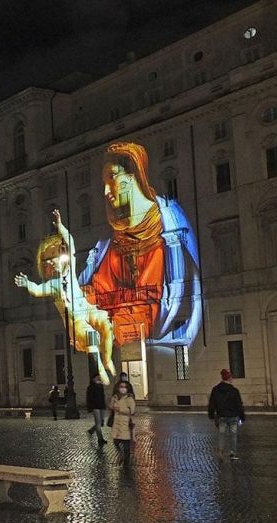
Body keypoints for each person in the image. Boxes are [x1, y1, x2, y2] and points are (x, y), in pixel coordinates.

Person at [79, 141, 201, 346]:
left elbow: (159, 303)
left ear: (131, 176)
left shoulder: (168, 228)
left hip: (154, 336)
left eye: (112, 178)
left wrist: (107, 325)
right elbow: (98, 289)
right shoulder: (111, 239)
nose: (106, 191)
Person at [16, 209, 116, 384]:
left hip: (87, 308)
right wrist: (27, 284)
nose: (53, 261)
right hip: (74, 320)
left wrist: (60, 226)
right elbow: (37, 290)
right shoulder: (53, 285)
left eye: (55, 257)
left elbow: (70, 241)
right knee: (91, 335)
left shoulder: (69, 271)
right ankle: (99, 368)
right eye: (49, 260)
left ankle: (107, 359)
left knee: (106, 324)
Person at [208, 368, 246, 461]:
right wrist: (242, 417)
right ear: (229, 378)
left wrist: (211, 415)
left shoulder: (215, 389)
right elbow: (239, 405)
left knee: (221, 434)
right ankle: (233, 453)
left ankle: (220, 451)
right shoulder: (234, 391)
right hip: (233, 416)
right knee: (233, 435)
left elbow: (212, 404)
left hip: (222, 416)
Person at [110, 381, 136, 466]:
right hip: (116, 423)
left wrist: (120, 410)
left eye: (125, 387)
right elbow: (112, 407)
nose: (123, 388)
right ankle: (122, 456)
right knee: (116, 441)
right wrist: (112, 407)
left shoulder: (129, 398)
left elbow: (132, 411)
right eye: (121, 386)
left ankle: (126, 462)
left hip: (125, 423)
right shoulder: (115, 397)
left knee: (126, 444)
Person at [86, 374, 109, 445]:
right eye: (97, 377)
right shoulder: (91, 387)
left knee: (101, 422)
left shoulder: (100, 386)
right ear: (93, 379)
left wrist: (104, 405)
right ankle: (100, 439)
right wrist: (90, 408)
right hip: (95, 407)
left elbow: (102, 396)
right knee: (98, 423)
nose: (98, 378)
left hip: (101, 406)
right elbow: (89, 398)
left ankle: (91, 430)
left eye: (99, 377)